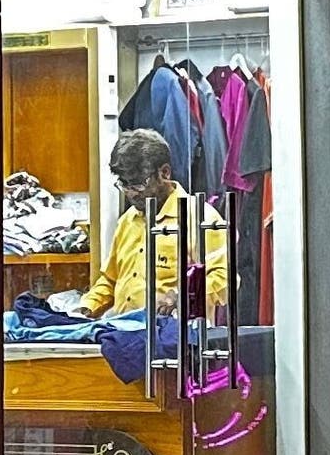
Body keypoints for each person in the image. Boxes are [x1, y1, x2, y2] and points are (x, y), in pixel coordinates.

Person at [70, 129, 226, 318]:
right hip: (125, 337)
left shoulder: (200, 217)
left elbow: (225, 278)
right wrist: (87, 307)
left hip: (175, 339)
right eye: (124, 184)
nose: (131, 193)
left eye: (138, 184)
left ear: (165, 172)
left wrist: (182, 295)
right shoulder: (128, 220)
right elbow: (111, 281)